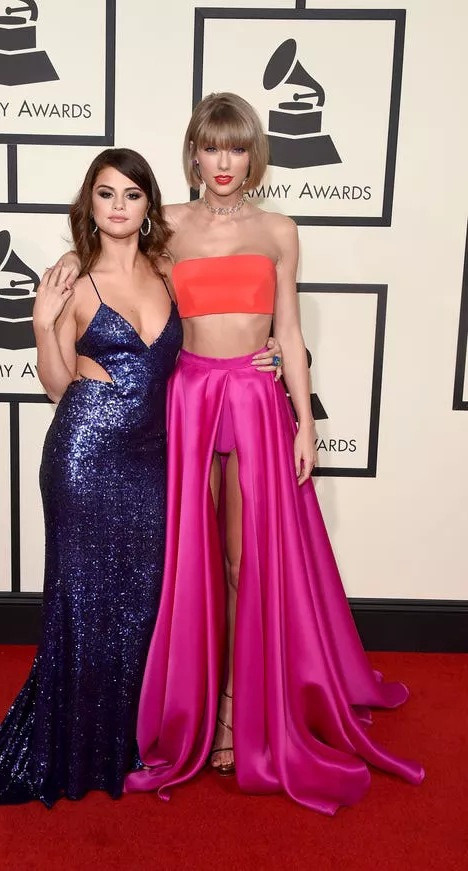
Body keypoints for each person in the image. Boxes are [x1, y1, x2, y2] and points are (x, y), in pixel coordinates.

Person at [118, 93, 425, 815]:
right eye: (210, 147)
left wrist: (303, 419)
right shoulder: (164, 227)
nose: (223, 162)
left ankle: (234, 709)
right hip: (189, 399)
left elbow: (286, 326)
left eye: (236, 148)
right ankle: (195, 705)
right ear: (193, 152)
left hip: (256, 405)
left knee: (240, 559)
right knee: (189, 559)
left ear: (253, 155)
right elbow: (133, 294)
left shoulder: (280, 229)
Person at [0, 148, 184, 813]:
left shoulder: (169, 274)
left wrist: (264, 357)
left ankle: (121, 744)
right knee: (81, 604)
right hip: (84, 457)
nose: (118, 206)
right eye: (106, 194)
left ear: (149, 206)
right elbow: (60, 384)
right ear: (90, 204)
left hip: (152, 460)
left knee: (139, 604)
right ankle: (71, 746)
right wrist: (40, 323)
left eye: (132, 195)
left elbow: (195, 362)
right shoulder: (73, 280)